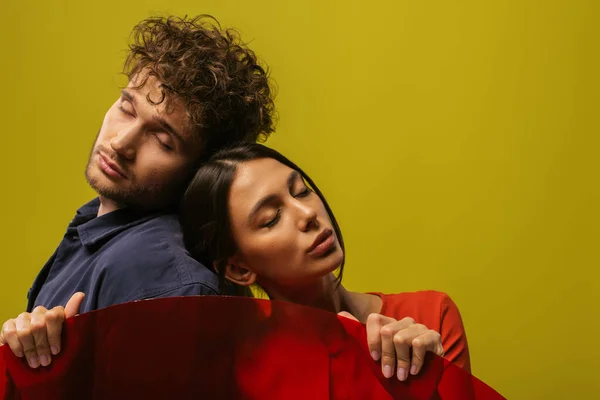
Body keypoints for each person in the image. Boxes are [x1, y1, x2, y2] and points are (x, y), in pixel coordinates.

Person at [0, 15, 276, 369]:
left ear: (200, 172)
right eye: (127, 108)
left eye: (162, 140)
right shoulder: (101, 224)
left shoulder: (159, 277)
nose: (121, 142)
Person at [180, 143, 471, 382]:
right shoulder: (246, 379)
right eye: (271, 218)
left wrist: (426, 381)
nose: (307, 213)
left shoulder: (430, 317)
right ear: (238, 268)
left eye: (301, 191)